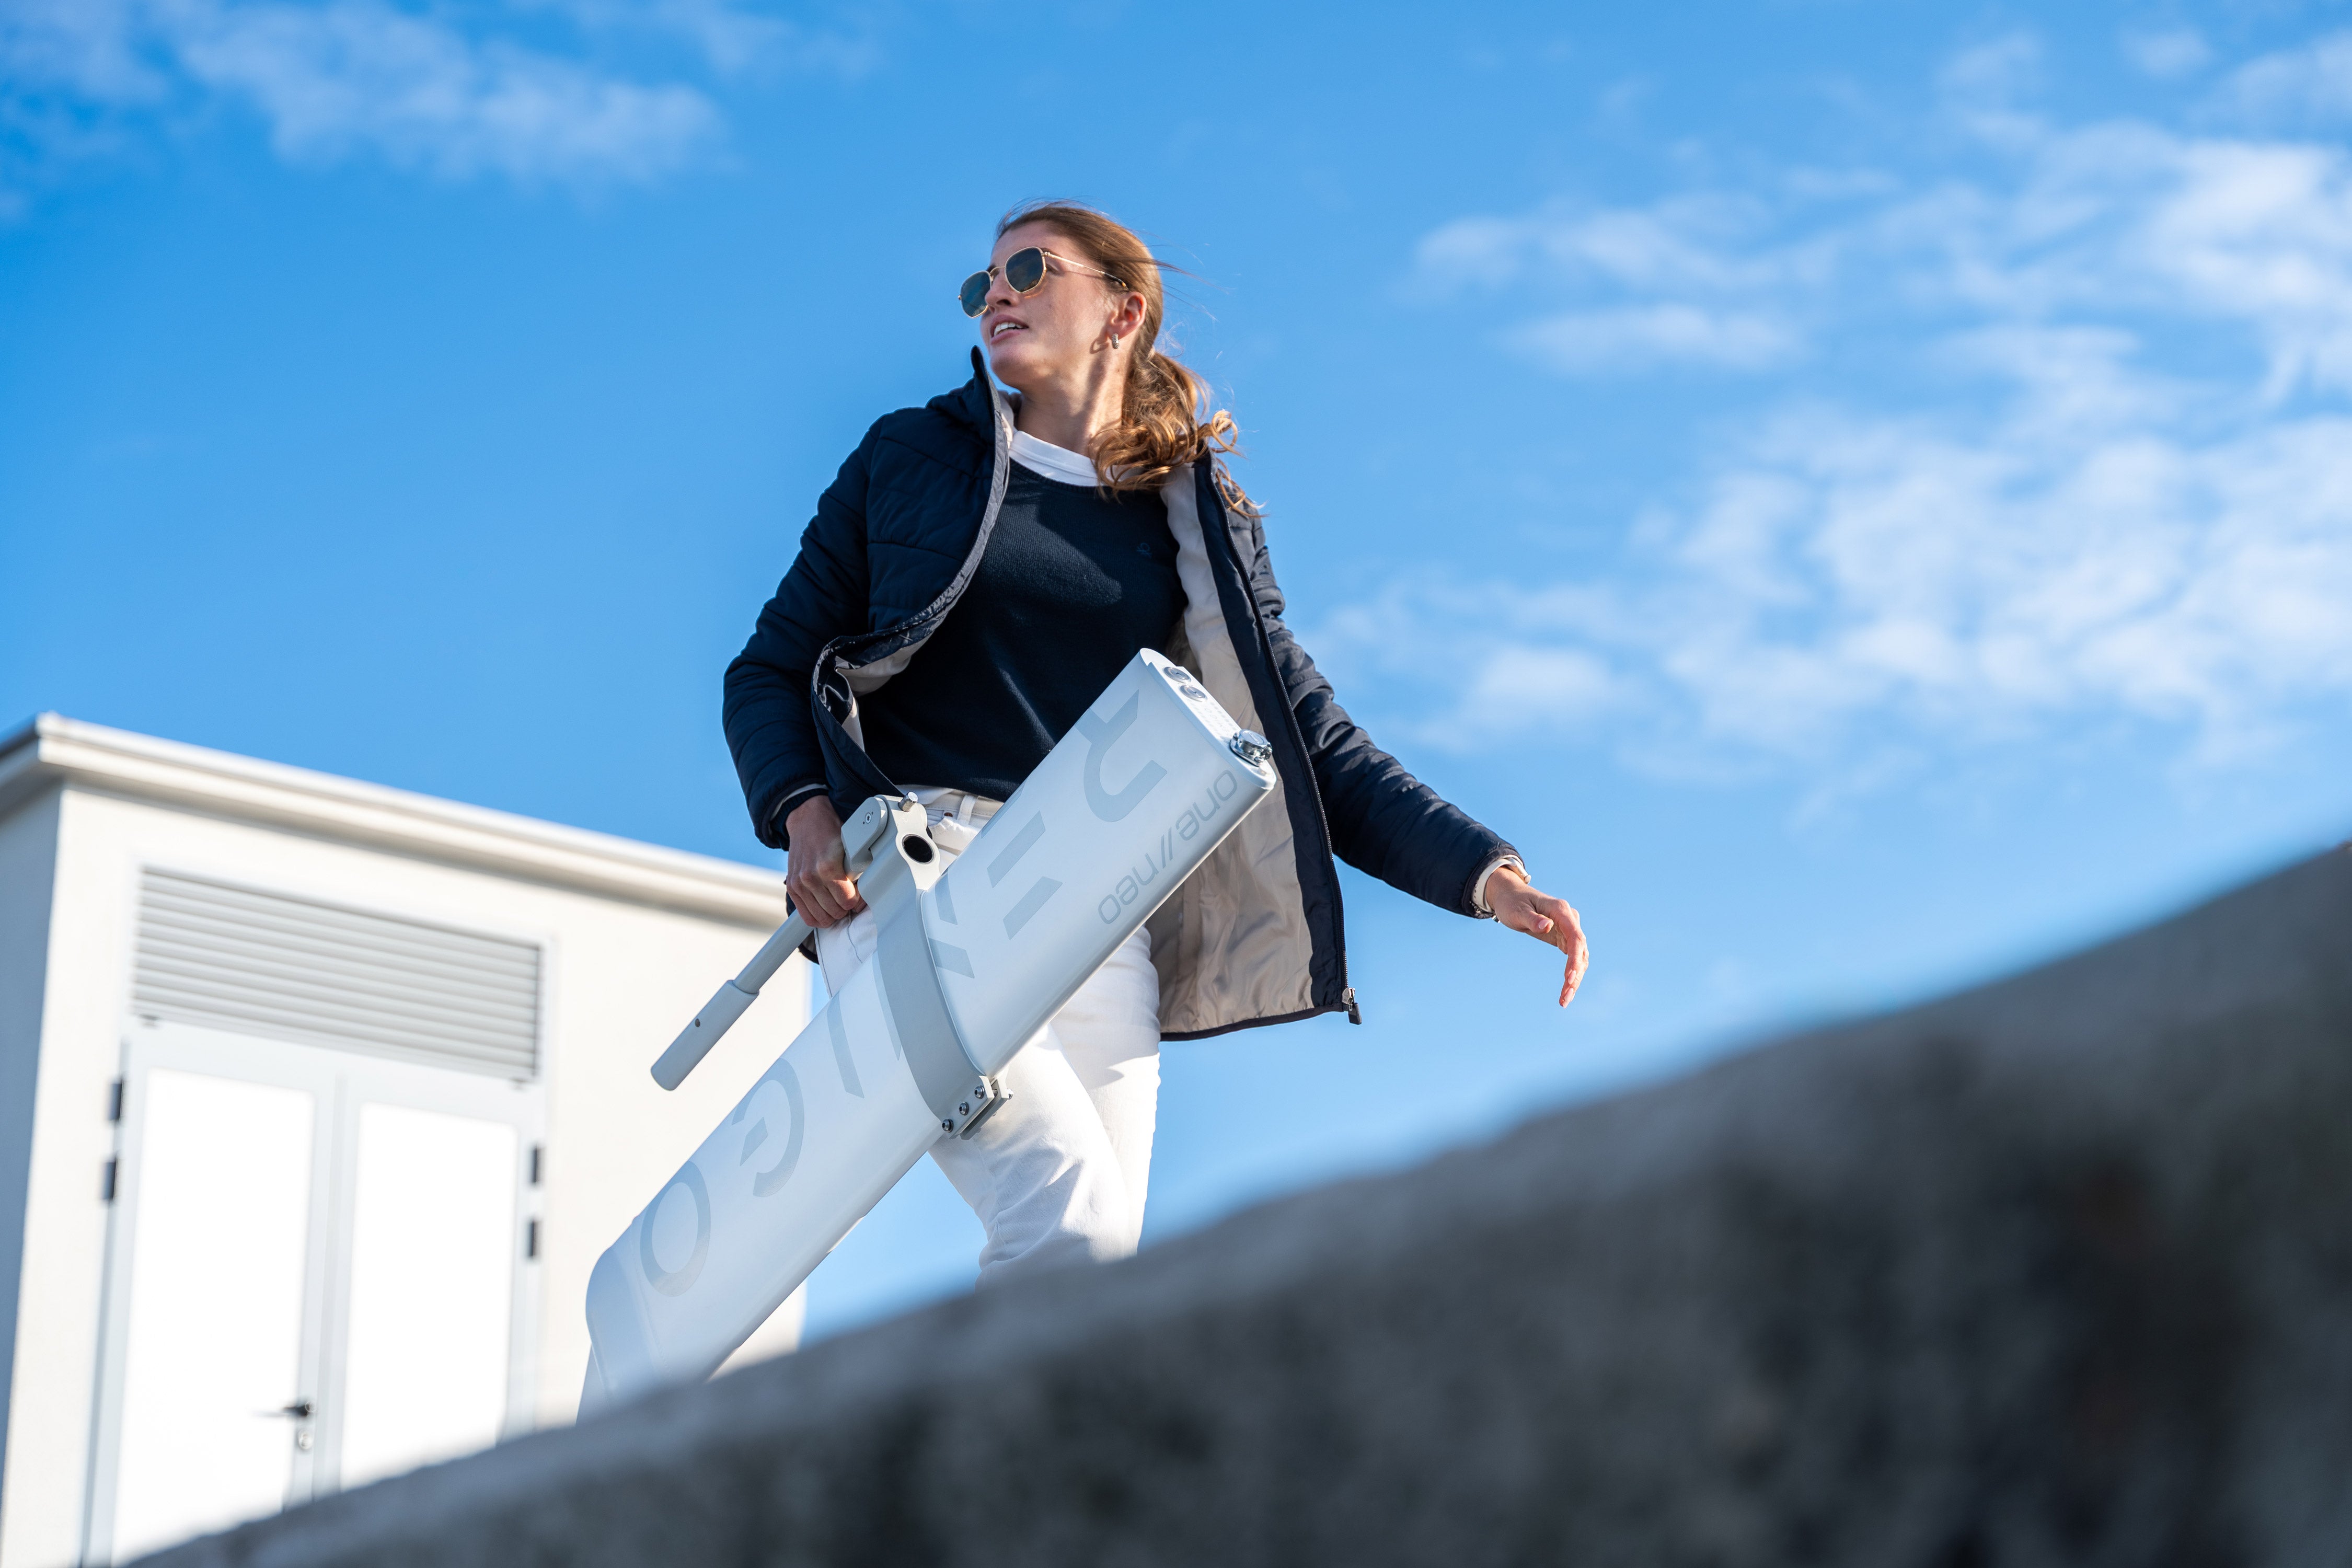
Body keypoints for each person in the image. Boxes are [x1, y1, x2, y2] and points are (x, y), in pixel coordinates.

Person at [724, 201, 1589, 1287]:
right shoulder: (911, 455)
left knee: (1091, 1280)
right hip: (911, 878)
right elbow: (770, 667)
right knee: (1063, 1218)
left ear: (1121, 309)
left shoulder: (1197, 514)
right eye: (984, 281)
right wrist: (804, 812)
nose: (997, 293)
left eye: (1030, 270)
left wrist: (1485, 875)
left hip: (1096, 902)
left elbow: (1305, 739)